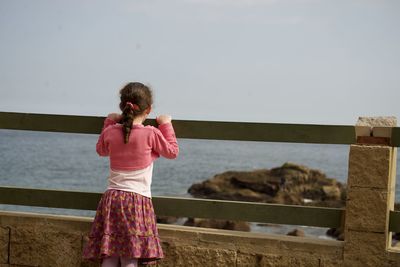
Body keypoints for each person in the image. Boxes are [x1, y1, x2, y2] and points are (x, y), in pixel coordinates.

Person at [83, 82, 179, 267]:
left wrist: (109, 122)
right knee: (129, 257)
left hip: (112, 201)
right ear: (148, 109)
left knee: (110, 255)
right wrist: (166, 125)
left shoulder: (111, 132)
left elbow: (101, 150)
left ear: (122, 107)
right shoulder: (151, 133)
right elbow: (172, 152)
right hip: (136, 203)